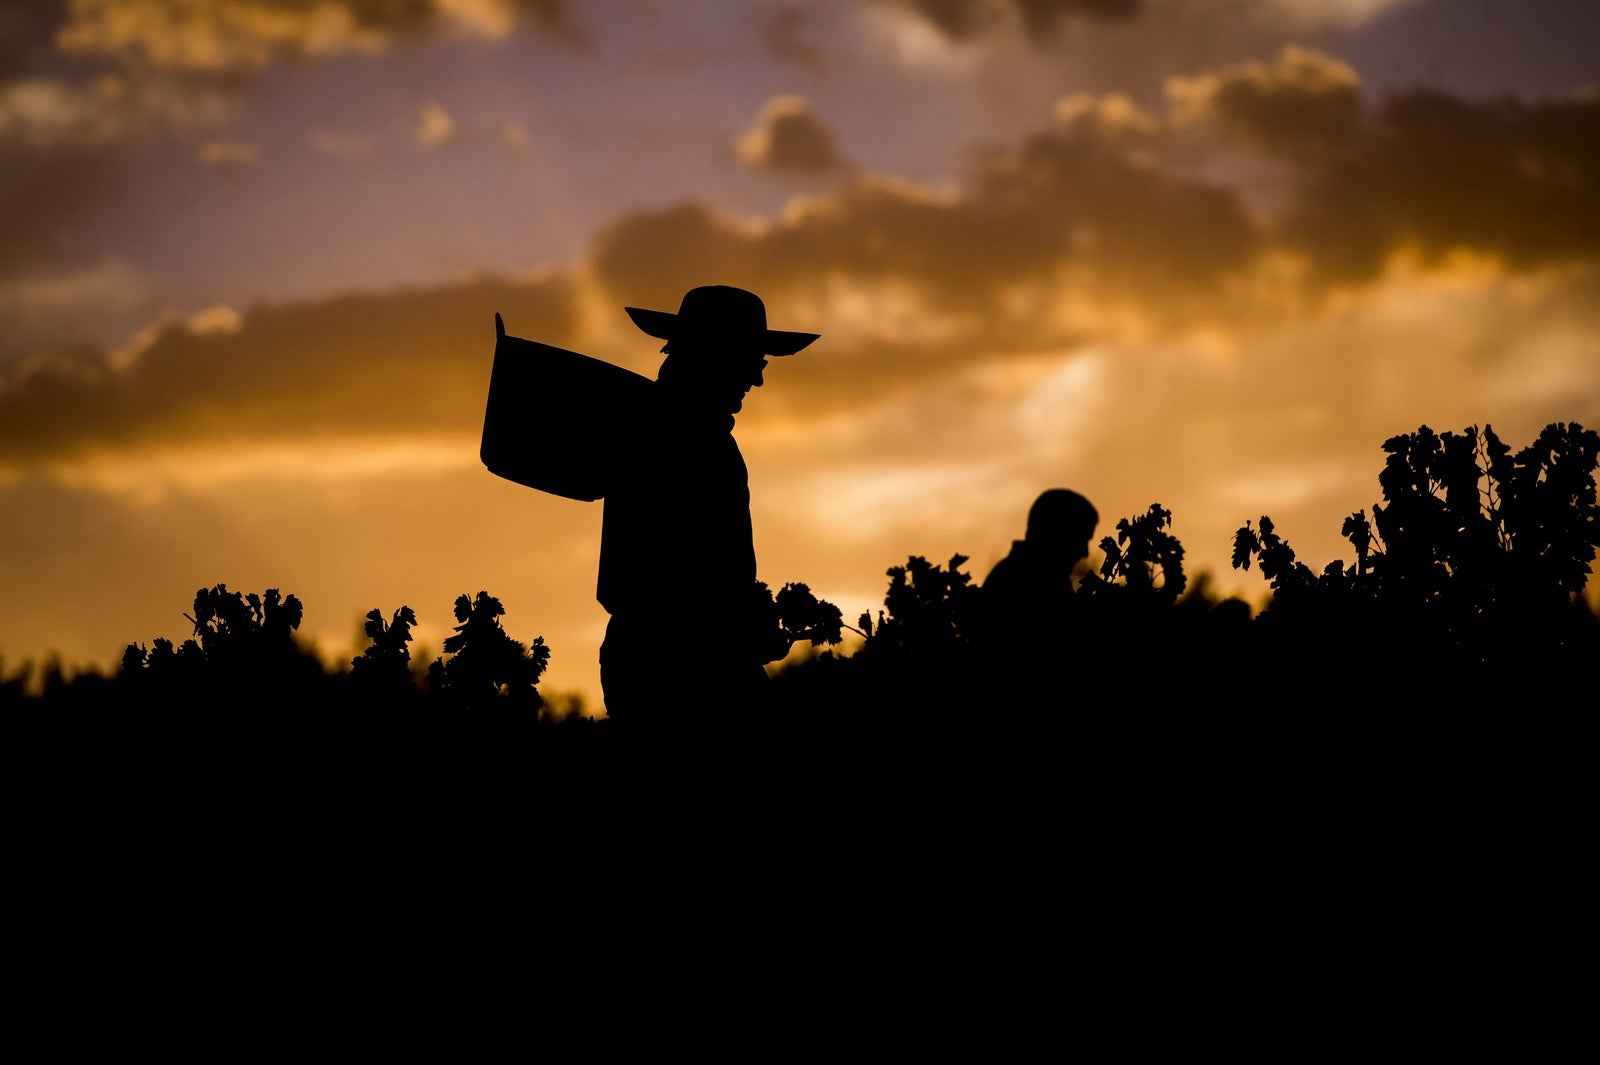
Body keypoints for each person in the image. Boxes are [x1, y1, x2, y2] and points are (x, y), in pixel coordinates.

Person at [596, 284, 819, 737]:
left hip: (645, 663)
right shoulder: (695, 441)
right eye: (751, 362)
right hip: (686, 677)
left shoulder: (656, 427)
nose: (756, 380)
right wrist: (747, 630)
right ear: (714, 355)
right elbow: (682, 585)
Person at [976, 488, 1100, 669]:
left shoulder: (1030, 576)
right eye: (1081, 538)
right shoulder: (1024, 581)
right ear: (1058, 532)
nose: (1085, 552)